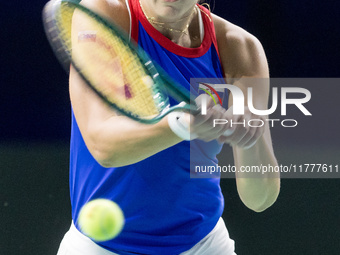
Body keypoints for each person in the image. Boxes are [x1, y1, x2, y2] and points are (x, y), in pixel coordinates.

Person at [57, 0, 280, 254]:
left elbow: (260, 199)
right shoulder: (105, 14)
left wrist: (248, 139)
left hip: (203, 245)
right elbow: (103, 147)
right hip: (99, 248)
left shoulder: (239, 47)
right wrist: (182, 125)